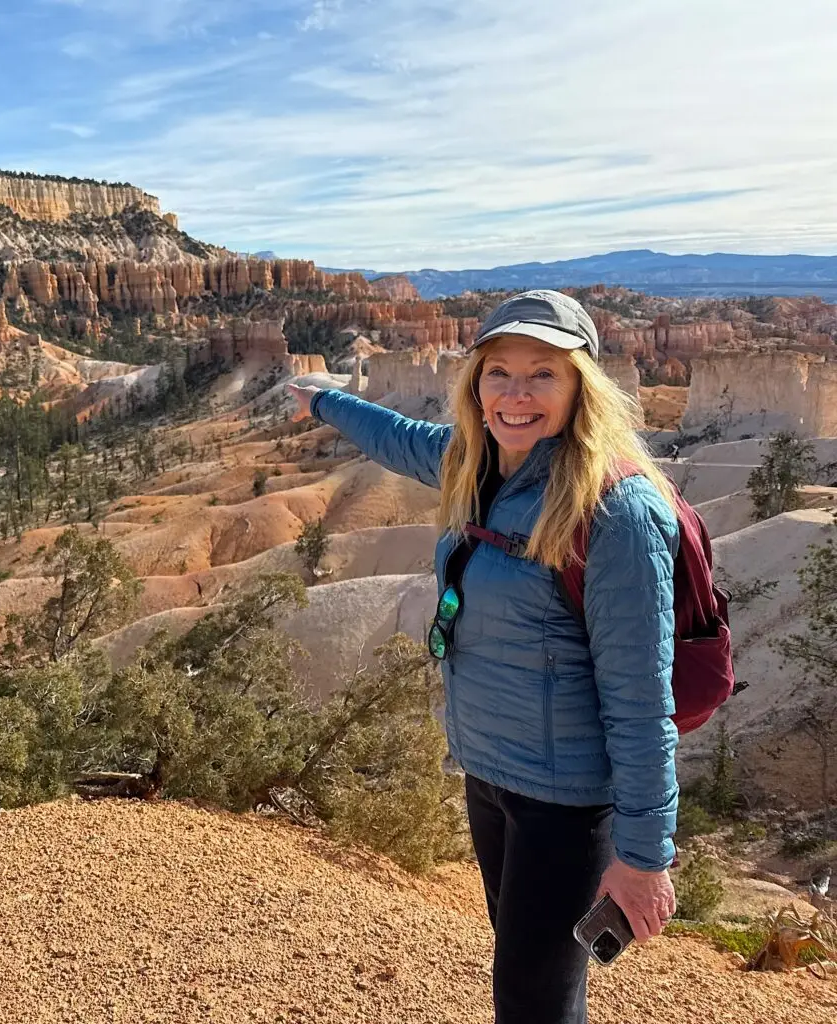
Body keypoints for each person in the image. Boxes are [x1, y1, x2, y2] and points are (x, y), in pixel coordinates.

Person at [287, 290, 679, 1024]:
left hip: (564, 803)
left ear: (580, 386)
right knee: (531, 978)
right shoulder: (481, 462)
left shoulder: (615, 510)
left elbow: (641, 704)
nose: (516, 393)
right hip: (491, 777)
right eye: (498, 372)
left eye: (543, 374)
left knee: (531, 1002)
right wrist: (321, 403)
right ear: (475, 385)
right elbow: (399, 435)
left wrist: (645, 856)